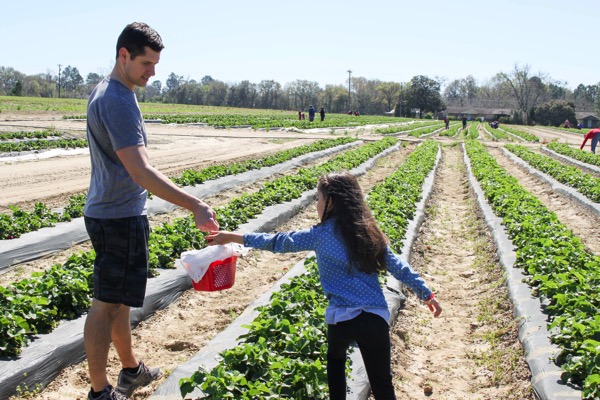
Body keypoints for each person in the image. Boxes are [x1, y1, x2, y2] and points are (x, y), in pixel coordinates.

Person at [206, 172, 442, 400]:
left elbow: (278, 242)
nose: (316, 204)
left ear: (331, 202)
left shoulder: (319, 234)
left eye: (317, 199)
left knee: (336, 363)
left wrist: (233, 237)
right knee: (382, 384)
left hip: (341, 319)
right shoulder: (368, 232)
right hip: (374, 318)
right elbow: (398, 267)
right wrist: (426, 294)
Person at [83, 22, 219, 400]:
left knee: (121, 301)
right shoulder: (117, 100)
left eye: (156, 64)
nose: (153, 73)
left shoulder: (110, 90)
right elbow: (140, 170)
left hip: (112, 211)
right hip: (117, 216)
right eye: (146, 63)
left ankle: (130, 371)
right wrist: (194, 203)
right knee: (106, 304)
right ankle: (100, 392)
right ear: (123, 55)